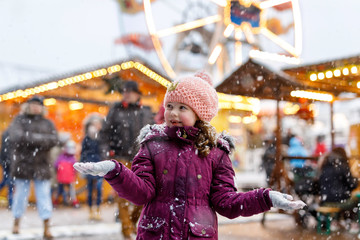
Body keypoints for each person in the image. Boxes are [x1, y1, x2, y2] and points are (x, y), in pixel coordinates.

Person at [74, 71, 306, 240]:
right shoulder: (152, 145)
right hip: (156, 234)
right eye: (170, 106)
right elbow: (141, 192)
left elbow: (226, 202)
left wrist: (266, 198)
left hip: (197, 235)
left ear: (200, 113)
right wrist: (114, 171)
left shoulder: (217, 153)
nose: (173, 112)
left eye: (182, 107)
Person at [98, 80, 154, 239]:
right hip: (120, 158)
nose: (126, 94)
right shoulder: (115, 110)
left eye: (130, 91)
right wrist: (105, 155)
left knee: (143, 195)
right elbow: (104, 134)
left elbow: (152, 134)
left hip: (142, 159)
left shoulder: (146, 111)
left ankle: (131, 223)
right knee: (121, 196)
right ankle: (126, 229)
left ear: (137, 94)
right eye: (124, 91)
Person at [7, 96, 59, 240]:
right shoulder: (19, 120)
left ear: (42, 107)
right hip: (23, 165)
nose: (35, 107)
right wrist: (41, 140)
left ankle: (46, 227)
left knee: (44, 197)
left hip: (42, 165)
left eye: (38, 105)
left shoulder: (48, 123)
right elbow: (16, 137)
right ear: (28, 106)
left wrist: (31, 139)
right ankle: (16, 223)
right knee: (20, 197)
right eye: (33, 104)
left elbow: (54, 140)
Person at [318, 147, 359, 234]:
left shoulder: (325, 164)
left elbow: (319, 183)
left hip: (325, 200)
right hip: (340, 201)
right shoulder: (343, 165)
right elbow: (352, 185)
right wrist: (356, 179)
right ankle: (355, 224)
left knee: (339, 197)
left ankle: (334, 222)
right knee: (357, 199)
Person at [80, 113, 104, 220]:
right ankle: (90, 210)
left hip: (100, 165)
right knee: (90, 189)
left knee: (99, 188)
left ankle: (98, 210)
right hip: (89, 165)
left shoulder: (102, 137)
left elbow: (104, 151)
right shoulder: (86, 138)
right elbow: (83, 152)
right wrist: (82, 165)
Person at [54, 140, 79, 208]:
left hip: (61, 178)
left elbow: (56, 165)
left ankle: (56, 202)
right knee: (71, 191)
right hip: (69, 178)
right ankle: (74, 202)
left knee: (59, 190)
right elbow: (76, 169)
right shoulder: (73, 158)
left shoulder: (61, 157)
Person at [0, 128, 14, 208]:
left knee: (8, 181)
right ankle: (11, 202)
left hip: (6, 162)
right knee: (9, 181)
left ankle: (11, 202)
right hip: (9, 162)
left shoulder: (6, 134)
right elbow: (7, 151)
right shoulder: (11, 134)